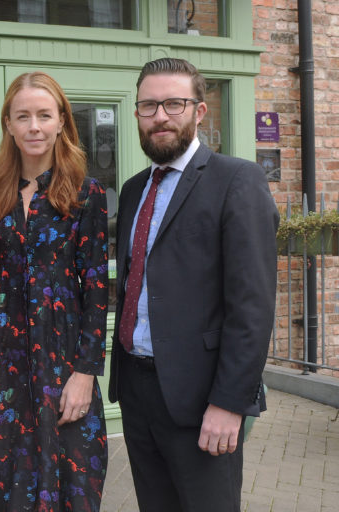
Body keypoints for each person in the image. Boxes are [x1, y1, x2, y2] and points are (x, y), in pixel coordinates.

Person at [109, 57, 278, 511]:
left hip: (203, 400)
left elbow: (253, 307)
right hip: (138, 393)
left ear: (199, 111)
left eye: (173, 104)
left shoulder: (237, 181)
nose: (160, 116)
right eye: (148, 106)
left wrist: (230, 403)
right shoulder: (131, 190)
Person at [0, 72, 109, 511]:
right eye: (23, 116)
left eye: (44, 115)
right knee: (7, 480)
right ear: (8, 123)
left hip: (63, 362)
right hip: (5, 362)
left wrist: (85, 374)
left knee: (73, 479)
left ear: (62, 121)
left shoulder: (85, 194)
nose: (34, 126)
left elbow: (98, 291)